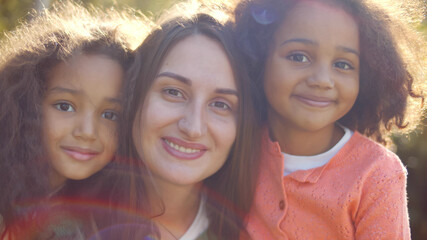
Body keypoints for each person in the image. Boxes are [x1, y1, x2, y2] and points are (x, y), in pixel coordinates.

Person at [233, 0, 426, 239]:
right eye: (299, 57)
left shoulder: (377, 174)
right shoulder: (234, 148)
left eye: (343, 64)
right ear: (258, 59)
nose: (322, 80)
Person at [0, 1, 151, 238]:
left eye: (110, 115)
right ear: (27, 105)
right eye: (65, 106)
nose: (88, 131)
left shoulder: (108, 217)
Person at [118, 1, 261, 239]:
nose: (193, 128)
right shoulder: (58, 223)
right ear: (134, 95)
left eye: (220, 104)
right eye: (173, 92)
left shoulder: (251, 232)